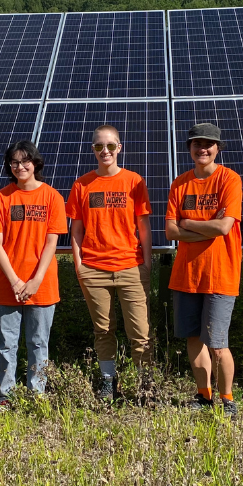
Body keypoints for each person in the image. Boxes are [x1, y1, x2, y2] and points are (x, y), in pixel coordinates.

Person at [67, 125, 153, 400]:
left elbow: (144, 225)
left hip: (131, 267)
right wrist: (79, 265)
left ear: (120, 148)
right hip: (93, 269)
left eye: (111, 146)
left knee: (139, 332)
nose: (105, 151)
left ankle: (144, 386)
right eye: (98, 146)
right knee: (103, 330)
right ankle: (108, 383)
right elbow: (76, 230)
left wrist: (146, 263)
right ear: (92, 149)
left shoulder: (133, 181)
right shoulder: (82, 184)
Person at [165, 123, 242, 417]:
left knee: (218, 343)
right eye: (197, 144)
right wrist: (205, 227)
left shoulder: (229, 180)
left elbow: (224, 227)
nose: (203, 149)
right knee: (194, 340)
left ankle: (228, 399)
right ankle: (203, 395)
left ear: (217, 148)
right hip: (186, 275)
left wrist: (187, 223)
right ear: (190, 149)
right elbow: (170, 231)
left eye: (209, 144)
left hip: (220, 274)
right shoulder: (180, 183)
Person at [0, 140, 67, 409]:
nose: (20, 167)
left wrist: (34, 280)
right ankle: (5, 396)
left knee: (38, 343)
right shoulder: (1, 198)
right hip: (7, 284)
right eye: (14, 163)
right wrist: (16, 281)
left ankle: (36, 396)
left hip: (42, 284)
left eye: (25, 161)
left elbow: (51, 244)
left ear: (35, 163)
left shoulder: (52, 197)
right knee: (7, 345)